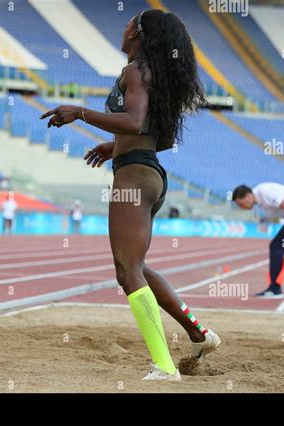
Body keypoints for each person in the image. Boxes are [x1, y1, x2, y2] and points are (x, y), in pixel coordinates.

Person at [41, 9, 220, 381]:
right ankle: (199, 335)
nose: (121, 29)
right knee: (135, 266)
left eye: (127, 24)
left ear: (138, 32)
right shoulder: (158, 75)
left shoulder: (136, 71)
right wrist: (115, 146)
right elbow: (161, 136)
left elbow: (134, 122)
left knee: (126, 271)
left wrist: (80, 112)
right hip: (150, 172)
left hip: (134, 178)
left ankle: (164, 365)